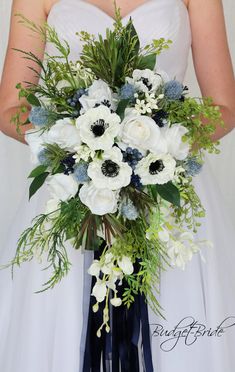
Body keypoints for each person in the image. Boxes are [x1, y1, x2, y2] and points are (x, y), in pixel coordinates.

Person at [0, 0, 235, 371]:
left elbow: (223, 106)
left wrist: (156, 145)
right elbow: (10, 107)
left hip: (168, 188)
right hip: (72, 188)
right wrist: (78, 145)